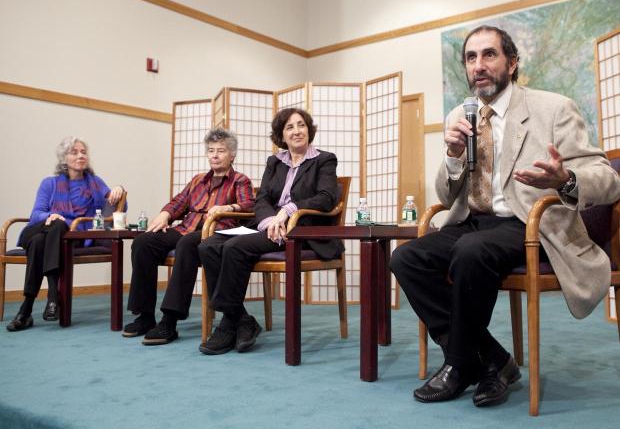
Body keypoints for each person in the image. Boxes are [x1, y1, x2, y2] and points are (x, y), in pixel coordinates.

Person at [390, 25, 620, 407]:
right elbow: (446, 197)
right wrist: (452, 155)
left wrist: (565, 178)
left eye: (489, 55)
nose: (478, 65)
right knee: (406, 258)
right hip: (472, 222)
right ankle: (493, 361)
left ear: (512, 63)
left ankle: (460, 364)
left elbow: (609, 181)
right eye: (470, 57)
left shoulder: (554, 108)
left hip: (530, 223)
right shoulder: (459, 116)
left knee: (470, 250)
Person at [197, 108, 344, 355]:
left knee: (235, 247)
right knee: (208, 245)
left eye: (301, 125)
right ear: (281, 135)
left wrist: (287, 212)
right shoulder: (274, 162)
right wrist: (268, 222)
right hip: (269, 227)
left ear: (309, 129)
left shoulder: (324, 160)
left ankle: (227, 325)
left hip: (300, 229)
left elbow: (327, 198)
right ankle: (240, 319)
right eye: (289, 127)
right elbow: (262, 198)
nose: (297, 131)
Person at [124, 128, 254, 345]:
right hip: (187, 227)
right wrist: (166, 213)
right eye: (211, 150)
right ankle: (145, 316)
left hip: (214, 231)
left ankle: (169, 320)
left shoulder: (240, 180)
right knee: (143, 243)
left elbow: (250, 206)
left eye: (220, 151)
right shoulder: (198, 180)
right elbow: (178, 202)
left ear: (232, 155)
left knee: (186, 244)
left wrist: (229, 207)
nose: (214, 155)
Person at [6, 136, 124, 332]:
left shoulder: (95, 183)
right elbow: (36, 214)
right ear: (63, 159)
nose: (80, 156)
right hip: (45, 228)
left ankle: (26, 310)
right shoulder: (49, 183)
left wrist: (119, 189)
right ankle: (53, 297)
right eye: (74, 152)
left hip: (73, 238)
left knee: (38, 242)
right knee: (55, 226)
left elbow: (115, 205)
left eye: (83, 152)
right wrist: (51, 216)